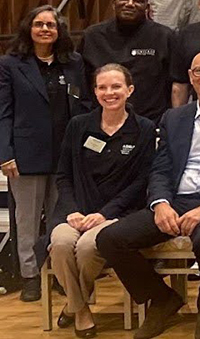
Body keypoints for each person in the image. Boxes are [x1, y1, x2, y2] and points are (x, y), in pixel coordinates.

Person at [96, 50, 200, 339]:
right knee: (110, 239)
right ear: (190, 76)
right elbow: (160, 167)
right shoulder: (174, 116)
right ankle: (162, 299)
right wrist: (161, 203)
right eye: (199, 71)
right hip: (177, 200)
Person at [49, 64, 153, 336]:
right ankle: (81, 308)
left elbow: (141, 183)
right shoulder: (79, 125)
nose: (109, 92)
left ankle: (73, 305)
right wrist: (71, 210)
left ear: (129, 90)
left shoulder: (143, 129)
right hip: (75, 212)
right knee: (59, 244)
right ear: (94, 92)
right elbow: (63, 175)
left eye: (116, 86)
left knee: (86, 248)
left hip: (118, 213)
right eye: (102, 87)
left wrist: (105, 213)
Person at [1, 5, 89, 301]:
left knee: (60, 218)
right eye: (39, 24)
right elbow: (3, 113)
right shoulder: (10, 64)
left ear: (59, 30)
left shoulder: (73, 62)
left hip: (66, 154)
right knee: (26, 220)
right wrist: (4, 153)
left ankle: (58, 274)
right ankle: (29, 275)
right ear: (29, 28)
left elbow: (81, 102)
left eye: (51, 25)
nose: (45, 30)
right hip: (25, 154)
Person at [79, 0, 180, 121]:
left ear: (147, 7)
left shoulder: (165, 36)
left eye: (138, 0)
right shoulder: (92, 36)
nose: (130, 4)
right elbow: (81, 84)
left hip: (151, 122)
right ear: (114, 3)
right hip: (100, 121)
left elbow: (176, 84)